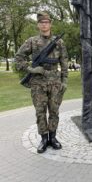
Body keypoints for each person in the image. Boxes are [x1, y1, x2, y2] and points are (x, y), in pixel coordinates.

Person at [15, 12, 68, 153]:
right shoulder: (32, 41)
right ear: (38, 25)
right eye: (41, 22)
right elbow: (18, 58)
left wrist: (65, 81)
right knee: (40, 112)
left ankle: (53, 137)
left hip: (55, 82)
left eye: (47, 22)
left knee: (54, 111)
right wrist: (31, 69)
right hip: (38, 83)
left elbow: (64, 62)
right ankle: (44, 139)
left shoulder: (59, 42)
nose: (44, 24)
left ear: (50, 24)